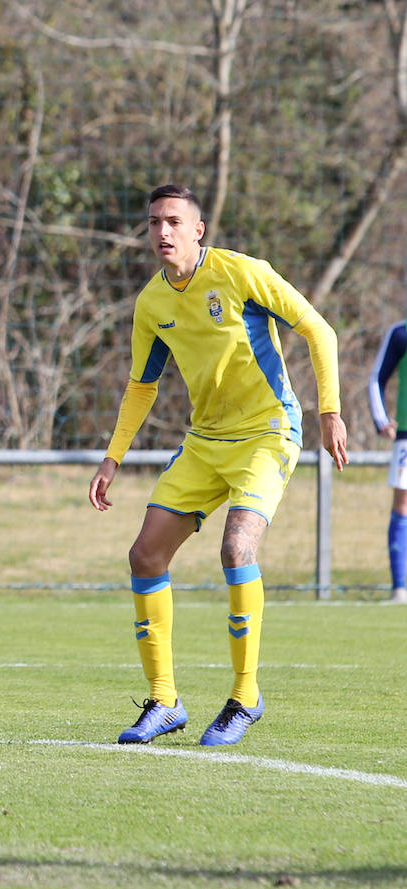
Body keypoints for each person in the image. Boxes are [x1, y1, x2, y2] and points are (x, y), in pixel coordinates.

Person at [88, 184, 348, 747]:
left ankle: (245, 696)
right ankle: (163, 702)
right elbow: (141, 385)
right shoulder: (152, 303)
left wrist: (330, 411)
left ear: (198, 229)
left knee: (236, 548)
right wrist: (113, 457)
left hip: (267, 431)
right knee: (144, 554)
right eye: (154, 221)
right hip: (206, 441)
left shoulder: (241, 273)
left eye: (175, 222)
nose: (163, 232)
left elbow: (317, 328)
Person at [367, 320, 407, 603]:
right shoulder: (400, 333)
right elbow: (376, 378)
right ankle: (400, 587)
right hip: (406, 436)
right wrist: (381, 421)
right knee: (402, 506)